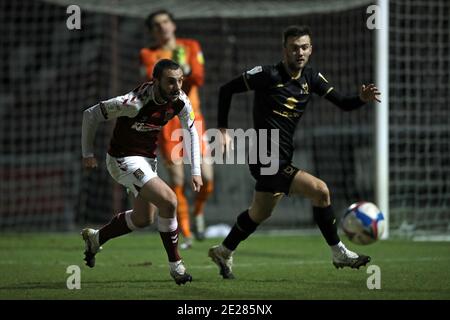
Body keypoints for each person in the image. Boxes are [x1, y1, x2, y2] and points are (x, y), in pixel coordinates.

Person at [208, 26, 381, 279]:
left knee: (260, 212)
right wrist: (222, 128)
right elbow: (226, 90)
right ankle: (338, 251)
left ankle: (223, 250)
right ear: (285, 50)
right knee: (321, 191)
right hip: (264, 157)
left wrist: (361, 99)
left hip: (283, 155)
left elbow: (343, 103)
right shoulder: (267, 74)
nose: (299, 52)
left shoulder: (311, 78)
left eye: (304, 47)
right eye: (294, 47)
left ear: (310, 49)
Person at [81, 59, 202, 285]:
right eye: (170, 82)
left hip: (146, 160)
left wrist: (196, 171)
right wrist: (87, 153)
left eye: (180, 81)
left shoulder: (181, 101)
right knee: (169, 201)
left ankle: (96, 239)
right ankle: (176, 266)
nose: (177, 87)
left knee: (143, 218)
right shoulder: (132, 103)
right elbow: (91, 115)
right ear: (155, 81)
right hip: (122, 160)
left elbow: (192, 132)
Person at [140, 9, 214, 248]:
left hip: (193, 117)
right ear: (152, 32)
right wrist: (184, 71)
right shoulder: (148, 53)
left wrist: (188, 70)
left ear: (173, 24)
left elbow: (200, 77)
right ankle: (186, 231)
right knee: (178, 178)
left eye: (165, 22)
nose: (162, 27)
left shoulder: (191, 45)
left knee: (207, 177)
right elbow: (158, 83)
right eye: (156, 25)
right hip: (166, 122)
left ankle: (199, 212)